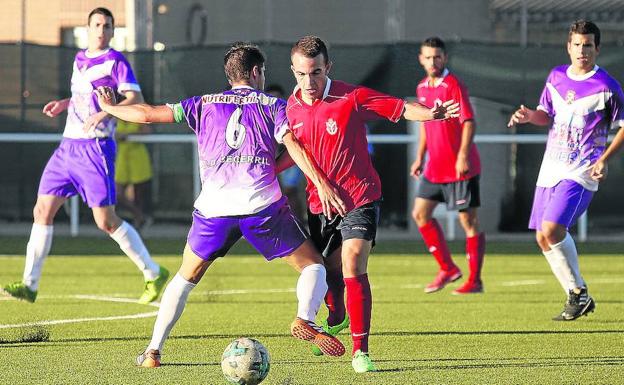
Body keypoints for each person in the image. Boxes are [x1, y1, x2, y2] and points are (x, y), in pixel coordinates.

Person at [95, 42, 346, 368]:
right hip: (262, 207)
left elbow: (146, 114)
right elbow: (293, 145)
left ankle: (153, 351)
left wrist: (111, 108)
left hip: (214, 210)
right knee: (313, 267)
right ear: (256, 72)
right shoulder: (272, 104)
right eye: (263, 72)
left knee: (184, 280)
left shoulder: (202, 103)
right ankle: (305, 317)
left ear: (230, 75)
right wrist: (321, 182)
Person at [279, 35, 460, 373]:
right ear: (293, 70)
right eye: (302, 74)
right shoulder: (289, 108)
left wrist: (432, 115)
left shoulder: (351, 96)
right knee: (330, 275)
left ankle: (360, 350)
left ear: (328, 67)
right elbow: (296, 153)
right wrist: (268, 171)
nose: (309, 81)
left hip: (360, 196)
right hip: (320, 204)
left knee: (352, 262)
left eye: (316, 72)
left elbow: (400, 107)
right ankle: (335, 317)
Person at [1, 7, 168, 305]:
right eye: (97, 25)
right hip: (67, 148)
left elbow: (135, 98)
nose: (102, 30)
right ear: (88, 28)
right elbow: (83, 95)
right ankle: (29, 284)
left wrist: (106, 113)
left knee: (105, 221)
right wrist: (65, 103)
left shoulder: (116, 61)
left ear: (113, 31)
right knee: (42, 211)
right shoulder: (79, 58)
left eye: (107, 26)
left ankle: (153, 271)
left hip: (96, 149)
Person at [508, 20, 624, 321]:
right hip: (551, 167)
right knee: (542, 238)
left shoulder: (607, 87)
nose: (582, 50)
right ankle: (577, 293)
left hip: (581, 170)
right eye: (577, 44)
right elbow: (545, 116)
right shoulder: (556, 76)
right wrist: (528, 116)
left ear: (597, 48)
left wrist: (605, 158)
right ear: (568, 47)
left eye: (588, 45)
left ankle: (579, 293)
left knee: (552, 230)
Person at [411, 37, 486, 295]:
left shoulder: (453, 85)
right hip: (434, 167)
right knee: (420, 214)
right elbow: (425, 124)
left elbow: (468, 121)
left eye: (438, 57)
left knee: (469, 222)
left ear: (445, 58)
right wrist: (420, 157)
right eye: (428, 57)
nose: (433, 61)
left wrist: (463, 155)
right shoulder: (422, 87)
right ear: (421, 59)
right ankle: (448, 268)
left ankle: (475, 281)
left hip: (458, 169)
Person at [266, 84, 306, 221]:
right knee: (280, 193)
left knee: (290, 190)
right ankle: (284, 223)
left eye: (277, 97)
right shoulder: (262, 116)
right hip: (271, 158)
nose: (275, 100)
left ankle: (299, 223)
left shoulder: (288, 113)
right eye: (271, 97)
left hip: (291, 156)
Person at [115, 119, 153, 230]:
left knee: (138, 194)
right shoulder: (117, 114)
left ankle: (139, 224)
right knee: (118, 193)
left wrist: (128, 135)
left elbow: (147, 132)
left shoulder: (136, 114)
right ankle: (140, 216)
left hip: (137, 156)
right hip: (123, 156)